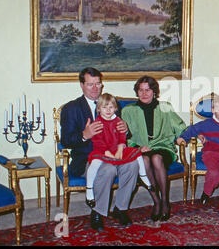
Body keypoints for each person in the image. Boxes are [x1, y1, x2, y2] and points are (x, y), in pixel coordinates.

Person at [60, 67, 139, 231]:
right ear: (81, 85)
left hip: (114, 154)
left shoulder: (111, 103)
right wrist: (84, 135)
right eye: (90, 84)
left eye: (98, 84)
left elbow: (122, 134)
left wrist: (125, 128)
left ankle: (120, 208)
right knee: (108, 169)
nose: (95, 88)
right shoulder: (71, 108)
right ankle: (97, 212)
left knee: (132, 165)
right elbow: (66, 140)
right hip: (88, 158)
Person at [121, 76, 187, 222]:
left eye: (148, 90)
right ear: (137, 92)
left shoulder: (165, 107)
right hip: (140, 148)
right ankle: (156, 200)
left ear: (154, 91)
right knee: (144, 160)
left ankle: (165, 201)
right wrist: (137, 147)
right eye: (141, 90)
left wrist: (192, 134)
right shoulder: (128, 110)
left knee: (156, 158)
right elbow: (124, 136)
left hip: (162, 146)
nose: (144, 94)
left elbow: (180, 126)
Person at [86, 93, 150, 209]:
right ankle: (90, 194)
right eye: (105, 107)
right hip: (102, 152)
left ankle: (122, 207)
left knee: (135, 159)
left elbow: (123, 135)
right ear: (99, 109)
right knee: (98, 166)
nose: (108, 110)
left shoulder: (117, 120)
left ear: (115, 108)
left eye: (111, 107)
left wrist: (120, 148)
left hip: (117, 150)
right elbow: (98, 141)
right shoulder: (96, 122)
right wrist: (109, 154)